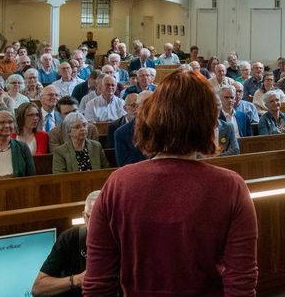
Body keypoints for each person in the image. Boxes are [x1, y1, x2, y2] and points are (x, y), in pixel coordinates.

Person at [84, 70, 258, 296]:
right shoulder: (231, 187)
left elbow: (97, 285)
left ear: (153, 117)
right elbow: (241, 284)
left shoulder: (118, 183)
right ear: (208, 123)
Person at [32, 190, 99, 297]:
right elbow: (38, 288)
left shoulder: (121, 237)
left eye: (100, 218)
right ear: (84, 217)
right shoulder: (69, 238)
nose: (95, 224)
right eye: (91, 217)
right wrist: (77, 280)